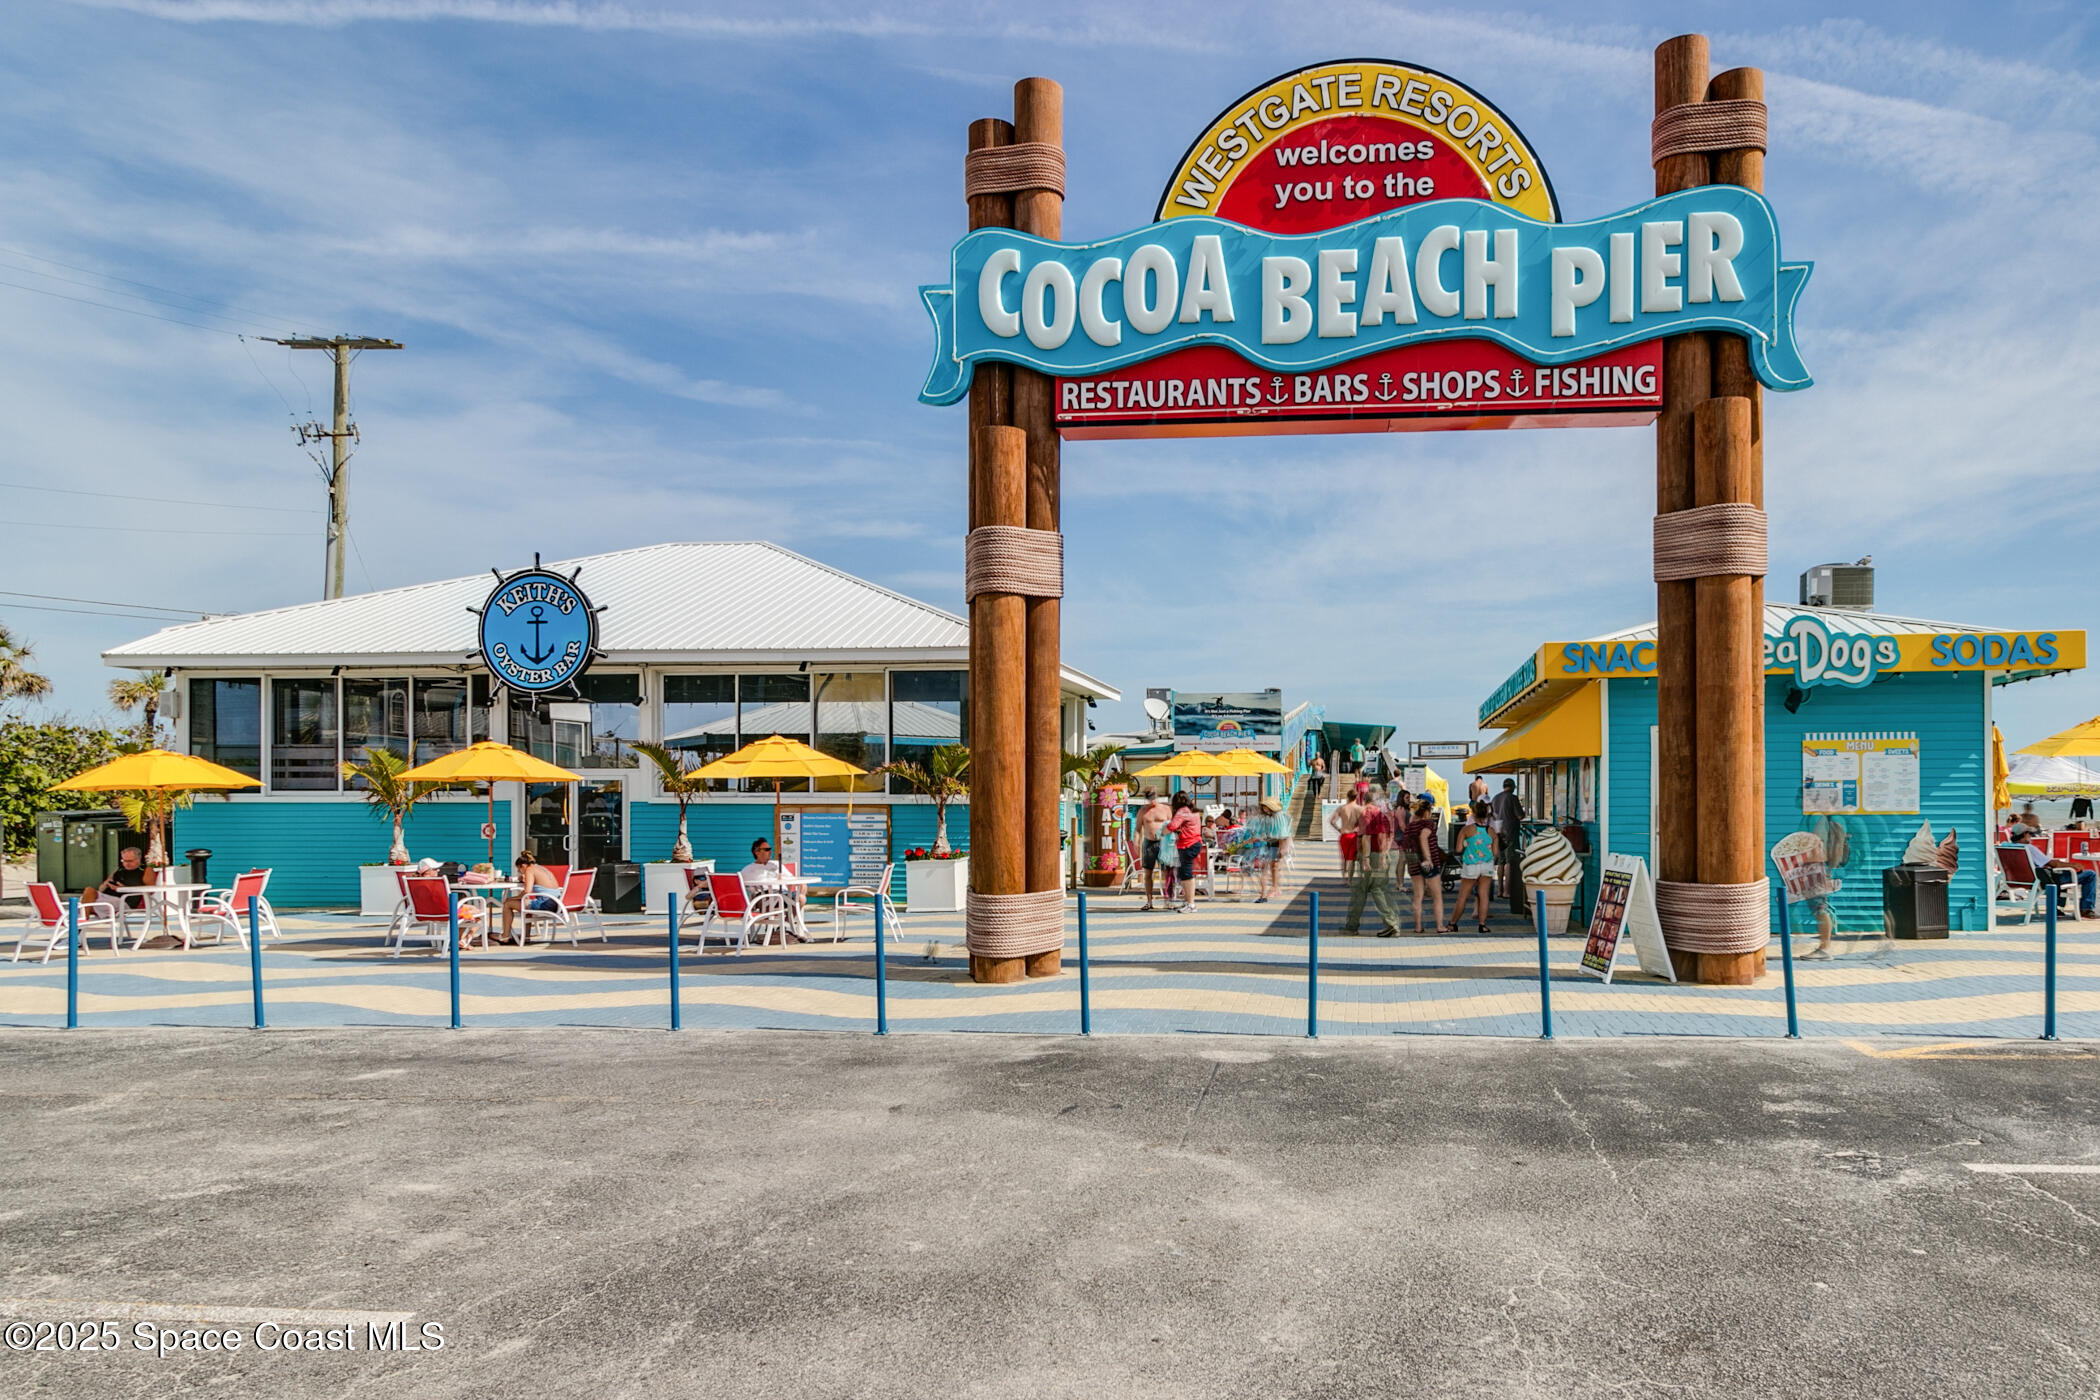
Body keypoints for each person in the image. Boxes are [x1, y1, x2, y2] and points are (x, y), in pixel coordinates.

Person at [1342, 792, 1401, 936]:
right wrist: (1384, 855)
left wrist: (1365, 858)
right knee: (1378, 889)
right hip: (1383, 855)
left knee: (1364, 891)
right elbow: (1390, 835)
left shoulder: (1366, 813)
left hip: (1371, 855)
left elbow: (1366, 836)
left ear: (1364, 801)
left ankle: (1353, 926)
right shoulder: (1383, 814)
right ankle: (1390, 923)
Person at [1446, 801, 1496, 933]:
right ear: (1486, 815)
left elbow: (1458, 848)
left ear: (1473, 814)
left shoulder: (1466, 830)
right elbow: (1495, 853)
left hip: (1470, 865)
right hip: (1487, 865)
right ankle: (1482, 924)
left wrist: (1467, 844)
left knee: (1463, 896)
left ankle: (1452, 924)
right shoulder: (1491, 831)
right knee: (1483, 895)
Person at [499, 851, 565, 944]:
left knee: (507, 903)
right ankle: (526, 936)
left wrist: (514, 898)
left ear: (523, 866)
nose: (519, 872)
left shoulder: (529, 870)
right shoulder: (540, 868)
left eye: (519, 870)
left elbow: (527, 891)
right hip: (557, 902)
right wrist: (522, 878)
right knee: (526, 901)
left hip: (545, 904)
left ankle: (505, 936)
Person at [1402, 796, 1446, 934]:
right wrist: (1428, 858)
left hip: (1414, 862)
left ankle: (1418, 927)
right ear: (1427, 811)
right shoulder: (1428, 824)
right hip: (1428, 863)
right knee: (1437, 896)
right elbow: (1423, 837)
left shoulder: (1410, 827)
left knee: (1418, 896)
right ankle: (1439, 926)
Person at [2024, 837, 2097, 919]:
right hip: (2045, 881)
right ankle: (2086, 909)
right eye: (2029, 833)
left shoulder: (2010, 847)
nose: (2030, 836)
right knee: (2090, 875)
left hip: (2025, 880)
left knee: (2063, 872)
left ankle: (2058, 906)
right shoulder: (2029, 848)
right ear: (2024, 835)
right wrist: (2072, 865)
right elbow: (2053, 864)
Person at [1165, 792, 1203, 913]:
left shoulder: (1182, 811)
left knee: (1187, 874)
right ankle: (1188, 902)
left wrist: (1160, 834)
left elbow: (1172, 826)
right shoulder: (1194, 811)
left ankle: (1191, 904)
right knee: (1183, 873)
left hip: (1188, 844)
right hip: (1195, 842)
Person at [81, 844, 152, 911]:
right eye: (124, 860)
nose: (126, 863)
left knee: (88, 902)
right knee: (89, 891)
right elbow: (101, 888)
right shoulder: (119, 869)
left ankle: (82, 919)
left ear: (138, 859)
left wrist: (123, 888)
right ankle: (83, 918)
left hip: (125, 900)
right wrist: (107, 883)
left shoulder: (145, 870)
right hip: (108, 896)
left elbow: (150, 890)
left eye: (130, 861)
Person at [1250, 795, 1289, 901]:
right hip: (1268, 843)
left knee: (1274, 867)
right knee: (1271, 868)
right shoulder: (1267, 817)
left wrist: (1282, 848)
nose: (1264, 808)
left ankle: (1273, 889)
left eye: (1266, 806)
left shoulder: (1278, 816)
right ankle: (1272, 889)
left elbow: (1283, 834)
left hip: (1276, 843)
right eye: (1263, 807)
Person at [1490, 778, 1524, 896]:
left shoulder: (1495, 798)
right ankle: (1507, 891)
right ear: (1513, 787)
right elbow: (1520, 815)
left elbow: (1492, 815)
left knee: (1500, 862)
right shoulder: (1512, 798)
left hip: (1498, 833)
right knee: (1509, 862)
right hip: (1510, 833)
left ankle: (1499, 890)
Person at [1136, 793, 1171, 911]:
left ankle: (1167, 900)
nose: (1152, 801)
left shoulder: (1165, 809)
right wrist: (1137, 842)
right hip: (1149, 843)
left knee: (1166, 872)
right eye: (1150, 799)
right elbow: (1137, 829)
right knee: (1148, 873)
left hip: (1163, 843)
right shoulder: (1143, 811)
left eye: (1154, 798)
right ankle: (1149, 900)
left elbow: (1173, 826)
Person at [1327, 787, 1365, 880]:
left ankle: (1345, 875)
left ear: (1347, 797)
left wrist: (1339, 829)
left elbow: (1332, 821)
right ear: (1356, 797)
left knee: (1344, 857)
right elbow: (1364, 823)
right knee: (1353, 857)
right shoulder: (1360, 809)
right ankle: (1353, 878)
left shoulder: (1342, 808)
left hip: (1344, 835)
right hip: (1354, 835)